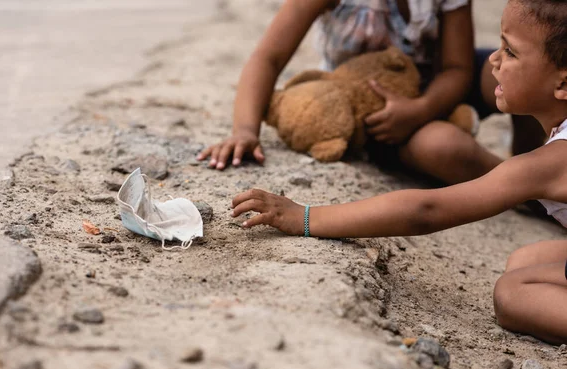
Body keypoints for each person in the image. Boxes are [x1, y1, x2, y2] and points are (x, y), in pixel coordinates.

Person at [231, 0, 567, 344]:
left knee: (511, 293)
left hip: (491, 148)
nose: (494, 58)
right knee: (524, 260)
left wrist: (304, 217)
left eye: (510, 52)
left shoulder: (550, 161)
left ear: (563, 84)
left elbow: (426, 211)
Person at [197, 0, 546, 185]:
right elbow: (267, 58)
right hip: (374, 109)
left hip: (438, 85)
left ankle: (538, 160)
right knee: (443, 148)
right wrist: (245, 130)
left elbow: (458, 69)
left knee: (524, 75)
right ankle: (524, 190)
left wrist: (423, 106)